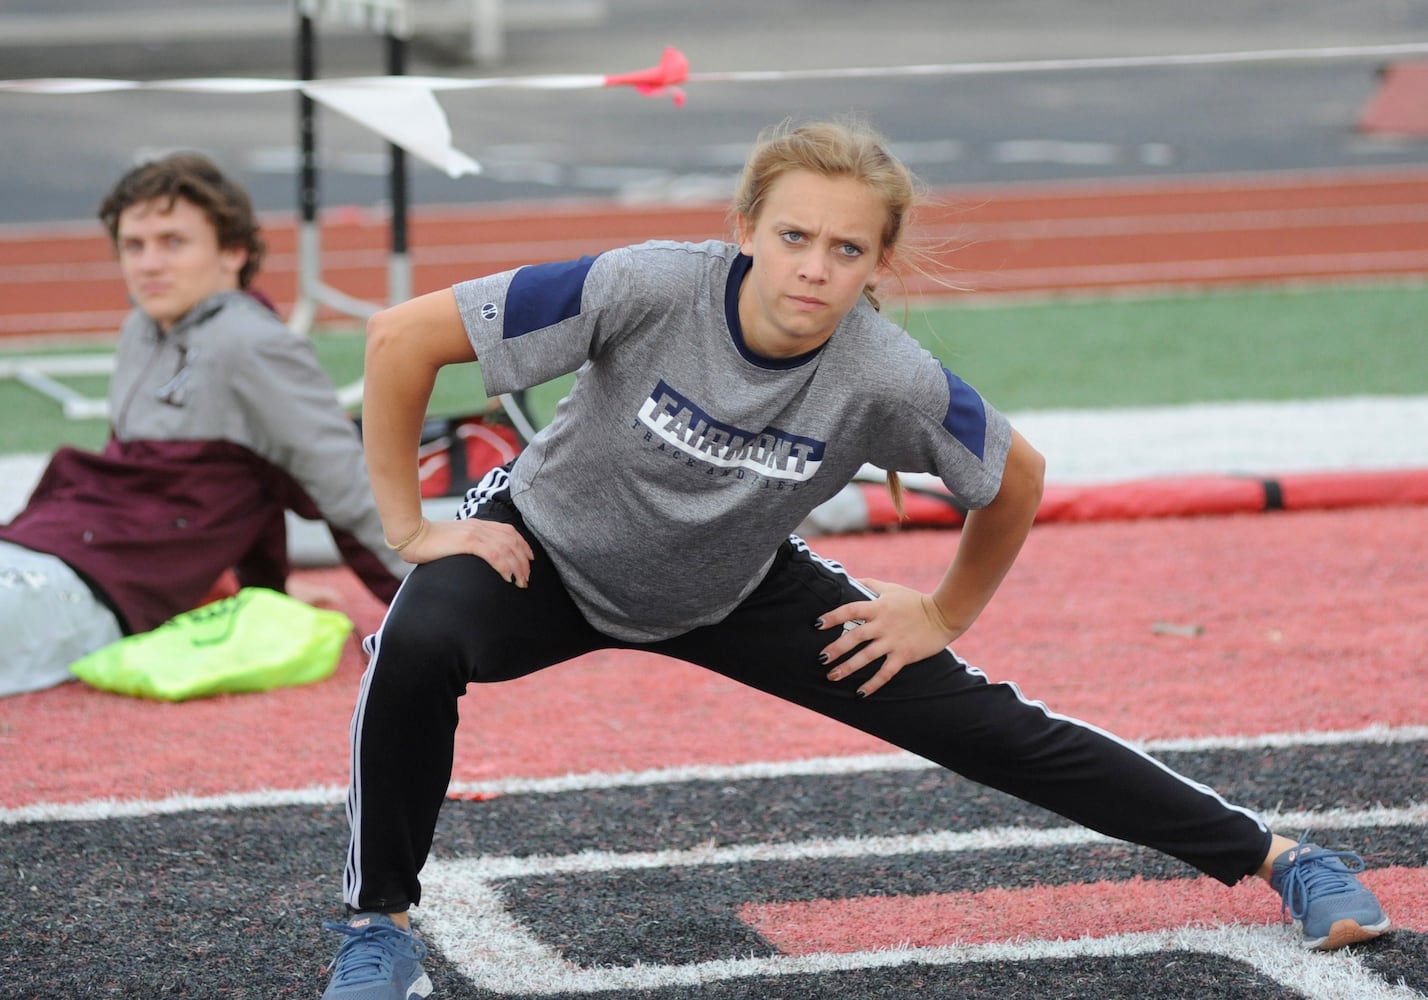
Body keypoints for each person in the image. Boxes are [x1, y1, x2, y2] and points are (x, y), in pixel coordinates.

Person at [318, 119, 1390, 999]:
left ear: (878, 261)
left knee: (992, 728)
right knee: (412, 643)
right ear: (746, 230)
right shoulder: (644, 285)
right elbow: (400, 338)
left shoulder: (889, 376)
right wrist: (414, 529)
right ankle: (382, 928)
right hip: (544, 553)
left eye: (845, 249)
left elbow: (1016, 477)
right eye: (793, 236)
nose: (813, 267)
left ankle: (1285, 859)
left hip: (733, 584)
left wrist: (945, 613)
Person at [0, 153, 407, 697]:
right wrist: (258, 593)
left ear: (233, 252)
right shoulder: (140, 330)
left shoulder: (254, 344)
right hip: (38, 545)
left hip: (85, 586)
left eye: (174, 242)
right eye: (133, 245)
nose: (148, 264)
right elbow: (206, 490)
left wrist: (431, 608)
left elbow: (345, 489)